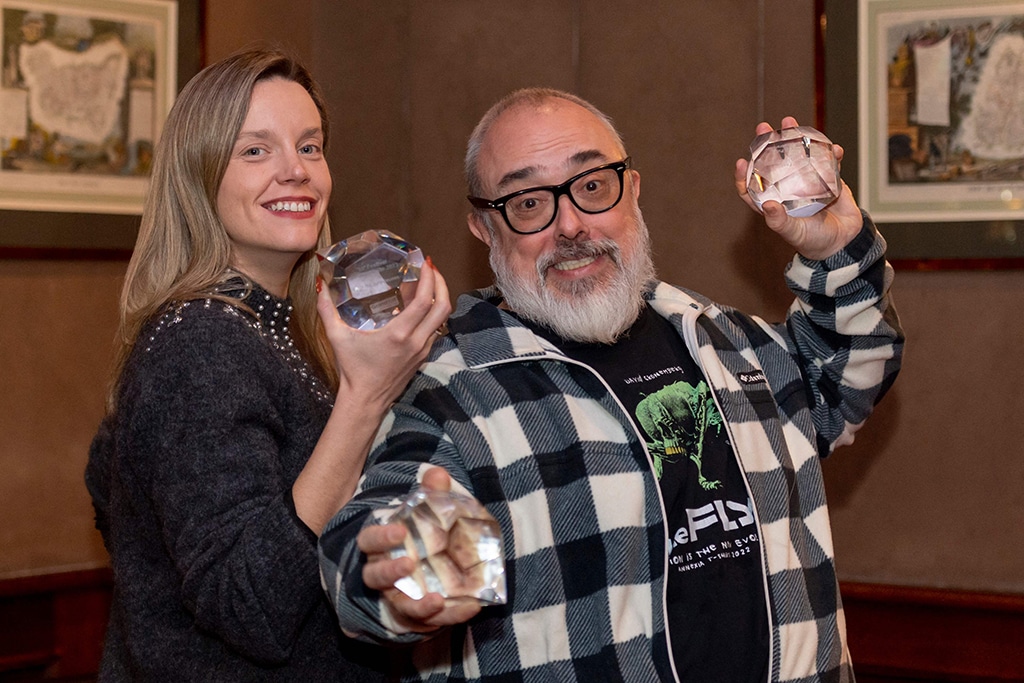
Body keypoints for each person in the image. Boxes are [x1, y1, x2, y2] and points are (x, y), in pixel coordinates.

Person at [318, 88, 904, 682]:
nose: (570, 224)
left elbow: (847, 375)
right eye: (527, 203)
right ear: (483, 228)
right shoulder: (448, 387)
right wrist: (394, 581)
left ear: (634, 190)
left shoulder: (725, 341)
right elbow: (371, 534)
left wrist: (836, 248)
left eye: (592, 186)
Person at [84, 49, 451, 681]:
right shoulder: (196, 341)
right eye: (256, 151)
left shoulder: (288, 329)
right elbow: (250, 606)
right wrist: (364, 399)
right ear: (197, 177)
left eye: (310, 146)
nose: (296, 171)